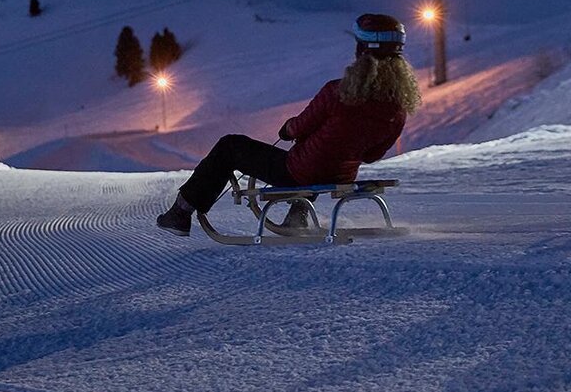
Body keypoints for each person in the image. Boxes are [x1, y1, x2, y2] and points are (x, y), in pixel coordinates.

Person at [156, 13, 422, 235]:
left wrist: (287, 129)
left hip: (298, 172)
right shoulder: (397, 108)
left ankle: (181, 211)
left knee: (230, 146)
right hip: (340, 175)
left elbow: (298, 128)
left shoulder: (338, 92)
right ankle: (299, 217)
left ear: (361, 50)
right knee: (318, 158)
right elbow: (373, 155)